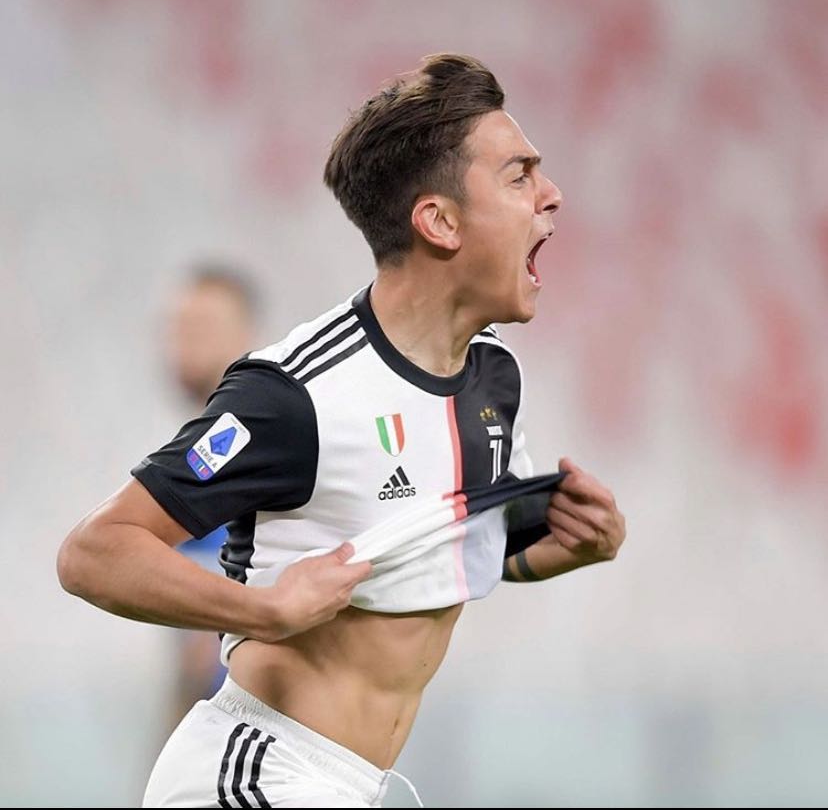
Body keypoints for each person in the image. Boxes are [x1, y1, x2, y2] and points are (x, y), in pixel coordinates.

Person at [57, 53, 627, 808]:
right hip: (255, 771)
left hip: (348, 784)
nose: (551, 195)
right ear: (440, 221)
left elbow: (436, 557)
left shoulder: (494, 376)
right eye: (519, 176)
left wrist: (567, 547)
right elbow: (93, 552)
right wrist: (265, 609)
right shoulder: (297, 393)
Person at [161, 262, 260, 728]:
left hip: (257, 714)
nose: (185, 343)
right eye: (179, 328)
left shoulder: (253, 447)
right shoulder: (190, 453)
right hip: (209, 707)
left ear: (245, 336)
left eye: (202, 327)